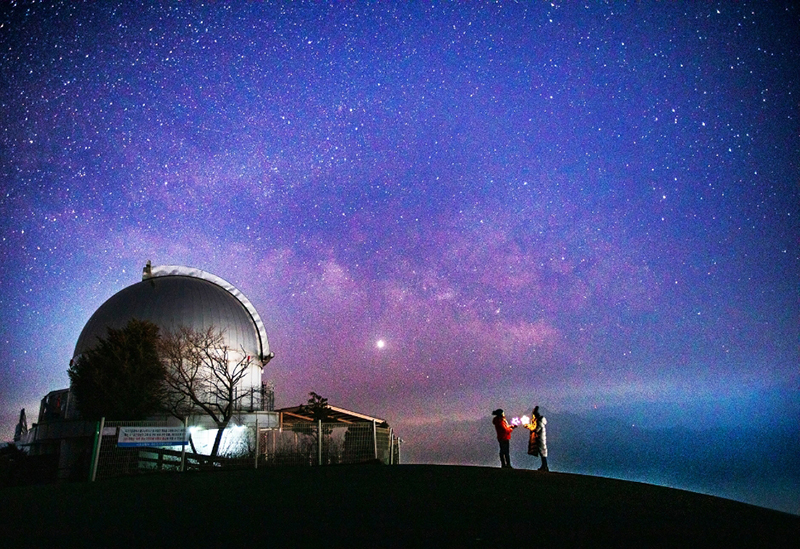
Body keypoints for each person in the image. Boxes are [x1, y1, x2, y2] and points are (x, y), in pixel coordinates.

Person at [531, 406, 549, 471]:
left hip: (540, 439)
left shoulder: (538, 422)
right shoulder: (541, 421)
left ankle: (545, 466)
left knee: (542, 453)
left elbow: (537, 430)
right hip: (542, 438)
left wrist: (530, 427)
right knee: (543, 453)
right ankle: (544, 466)